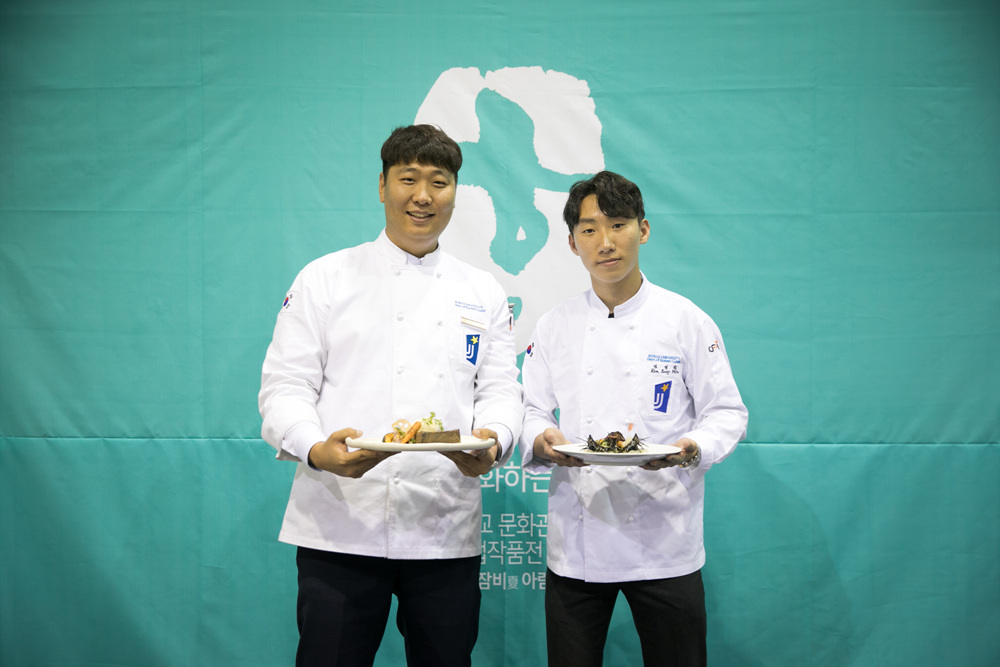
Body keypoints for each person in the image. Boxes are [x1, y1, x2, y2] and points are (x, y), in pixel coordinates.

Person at [259, 124, 523, 667]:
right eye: (408, 179)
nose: (423, 195)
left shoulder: (483, 290)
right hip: (340, 525)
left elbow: (500, 389)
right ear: (382, 186)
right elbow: (285, 385)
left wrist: (495, 441)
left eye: (439, 182)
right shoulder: (325, 277)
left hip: (444, 526)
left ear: (455, 193)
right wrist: (316, 450)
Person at [519, 171, 748, 666]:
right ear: (572, 243)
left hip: (665, 536)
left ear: (643, 230)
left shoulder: (685, 320)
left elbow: (726, 412)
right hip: (577, 542)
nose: (605, 242)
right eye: (589, 230)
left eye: (618, 225)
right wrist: (541, 439)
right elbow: (531, 409)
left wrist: (691, 449)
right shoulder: (554, 325)